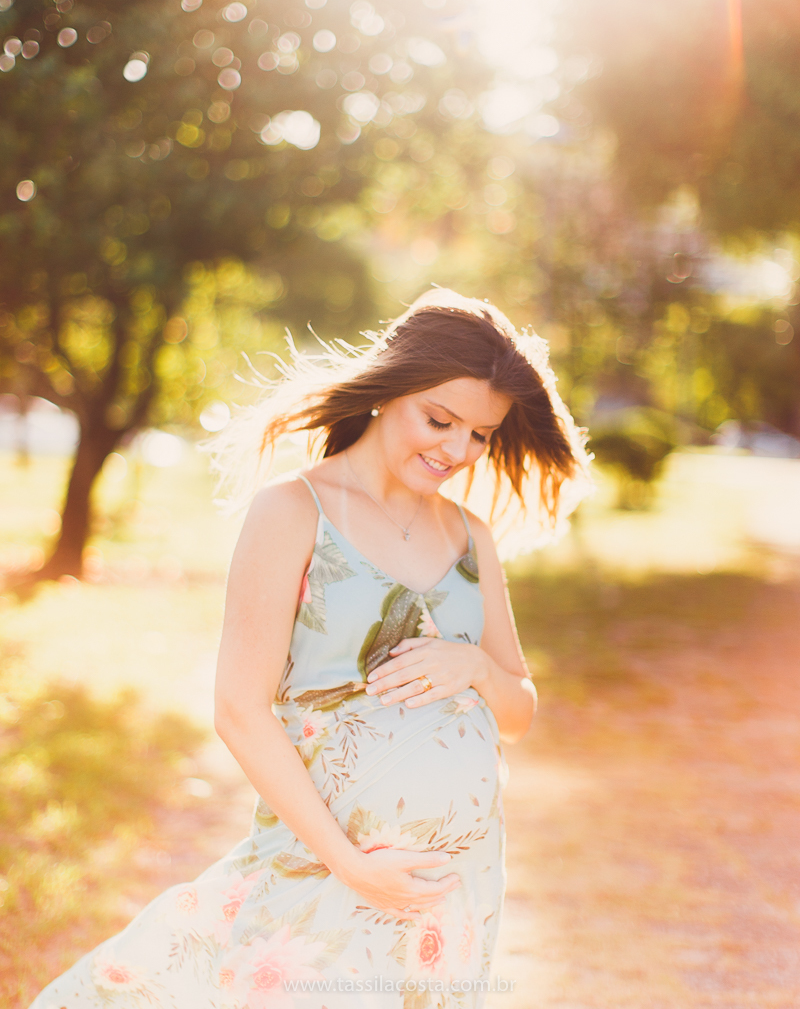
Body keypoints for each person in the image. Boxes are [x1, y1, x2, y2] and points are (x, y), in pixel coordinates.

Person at [29, 288, 591, 1009]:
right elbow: (238, 709)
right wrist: (352, 866)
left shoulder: (470, 537)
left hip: (454, 888)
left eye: (480, 435)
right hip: (322, 872)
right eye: (440, 420)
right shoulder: (295, 511)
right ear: (391, 391)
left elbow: (518, 712)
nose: (458, 450)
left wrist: (477, 667)